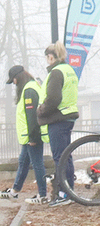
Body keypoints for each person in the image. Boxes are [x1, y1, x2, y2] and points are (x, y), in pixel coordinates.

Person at [0, 65, 49, 203]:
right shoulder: (31, 87)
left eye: (13, 80)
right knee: (23, 162)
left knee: (37, 164)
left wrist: (33, 137)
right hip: (28, 137)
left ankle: (42, 195)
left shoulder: (29, 91)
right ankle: (15, 191)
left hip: (31, 136)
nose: (14, 83)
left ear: (18, 77)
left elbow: (32, 116)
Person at [38, 41, 79, 204]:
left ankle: (64, 194)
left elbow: (54, 98)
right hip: (68, 116)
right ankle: (70, 192)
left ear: (50, 57)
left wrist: (41, 110)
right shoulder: (69, 70)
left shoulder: (56, 72)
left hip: (57, 118)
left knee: (60, 157)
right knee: (66, 156)